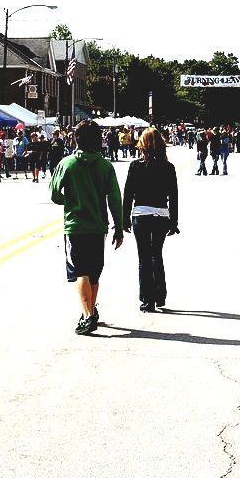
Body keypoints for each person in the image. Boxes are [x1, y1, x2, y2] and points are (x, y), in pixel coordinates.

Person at [50, 120, 124, 335]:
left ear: (76, 139)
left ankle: (88, 315)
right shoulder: (105, 166)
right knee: (93, 273)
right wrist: (119, 228)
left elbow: (54, 194)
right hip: (98, 227)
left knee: (79, 271)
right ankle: (90, 309)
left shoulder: (66, 164)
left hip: (75, 226)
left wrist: (71, 201)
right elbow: (115, 199)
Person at [122, 128, 179, 313]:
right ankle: (160, 295)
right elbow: (174, 196)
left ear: (142, 145)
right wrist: (174, 221)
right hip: (161, 215)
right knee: (157, 255)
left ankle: (147, 299)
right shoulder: (168, 167)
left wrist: (124, 219)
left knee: (144, 258)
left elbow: (128, 194)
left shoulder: (136, 166)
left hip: (141, 215)